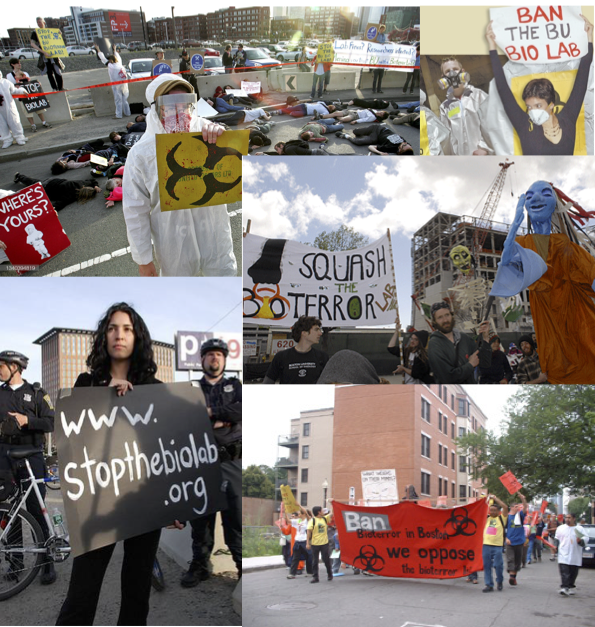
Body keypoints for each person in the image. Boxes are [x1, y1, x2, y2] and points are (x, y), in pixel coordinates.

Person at [55, 303, 182, 625]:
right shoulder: (86, 383)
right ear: (104, 336)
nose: (119, 335)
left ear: (137, 337)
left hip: (144, 498)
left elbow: (168, 449)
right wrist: (102, 399)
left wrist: (177, 503)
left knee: (137, 590)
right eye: (112, 328)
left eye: (126, 328)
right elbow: (69, 440)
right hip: (97, 500)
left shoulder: (155, 389)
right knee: (82, 592)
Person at [122, 73, 237, 277]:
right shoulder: (141, 154)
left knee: (224, 291)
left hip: (215, 236)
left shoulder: (208, 134)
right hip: (173, 243)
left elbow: (233, 171)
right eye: (171, 105)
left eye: (185, 104)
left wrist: (223, 137)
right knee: (181, 299)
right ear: (157, 108)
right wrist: (143, 260)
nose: (180, 111)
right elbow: (135, 210)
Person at [491, 181, 595, 383]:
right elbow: (506, 261)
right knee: (558, 367)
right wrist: (514, 225)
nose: (536, 199)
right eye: (529, 197)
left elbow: (591, 273)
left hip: (574, 313)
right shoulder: (522, 243)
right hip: (546, 318)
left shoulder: (565, 243)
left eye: (545, 193)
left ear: (555, 203)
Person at [486, 16, 593, 156]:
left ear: (551, 105)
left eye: (538, 106)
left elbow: (582, 78)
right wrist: (492, 47)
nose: (533, 112)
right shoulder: (524, 126)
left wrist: (589, 38)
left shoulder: (568, 118)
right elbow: (502, 88)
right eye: (529, 107)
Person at [181, 339, 242, 586]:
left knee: (234, 520)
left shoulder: (235, 385)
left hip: (232, 460)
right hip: (201, 462)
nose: (214, 358)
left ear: (225, 359)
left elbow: (241, 411)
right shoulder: (190, 391)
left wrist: (209, 413)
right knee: (201, 519)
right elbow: (185, 420)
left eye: (219, 354)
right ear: (202, 360)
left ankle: (241, 567)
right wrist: (223, 417)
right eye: (209, 355)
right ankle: (200, 566)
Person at [0, 350, 56, 585]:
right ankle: (15, 563)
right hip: (4, 455)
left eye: (3, 364)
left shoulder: (36, 393)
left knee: (35, 506)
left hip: (31, 455)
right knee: (7, 510)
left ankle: (47, 562)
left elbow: (51, 422)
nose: (0, 368)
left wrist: (27, 421)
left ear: (16, 367)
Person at [438, 56, 492, 156]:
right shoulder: (445, 107)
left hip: (482, 156)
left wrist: (485, 148)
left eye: (455, 69)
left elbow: (494, 124)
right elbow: (446, 139)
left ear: (462, 71)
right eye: (447, 71)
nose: (452, 74)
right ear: (443, 77)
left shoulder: (479, 96)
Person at [426, 301, 492, 383]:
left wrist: (485, 338)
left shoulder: (464, 338)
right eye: (440, 317)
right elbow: (447, 378)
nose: (445, 320)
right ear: (434, 321)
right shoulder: (434, 344)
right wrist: (470, 365)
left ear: (451, 315)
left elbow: (485, 363)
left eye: (447, 315)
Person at [264, 316, 329, 384]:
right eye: (316, 330)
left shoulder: (322, 357)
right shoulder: (281, 357)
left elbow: (330, 383)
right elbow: (267, 384)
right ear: (304, 333)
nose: (320, 333)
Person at [13, 172, 100, 212]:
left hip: (53, 181)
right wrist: (52, 210)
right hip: (47, 188)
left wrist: (96, 185)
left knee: (33, 181)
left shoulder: (82, 183)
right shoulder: (71, 196)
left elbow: (92, 180)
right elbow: (60, 203)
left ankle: (19, 176)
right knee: (31, 188)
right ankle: (18, 181)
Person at [6, 59, 52, 132]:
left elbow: (29, 83)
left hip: (30, 94)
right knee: (27, 111)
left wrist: (37, 84)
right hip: (21, 95)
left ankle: (44, 122)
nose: (19, 64)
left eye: (20, 63)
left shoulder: (25, 73)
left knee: (38, 107)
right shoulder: (9, 75)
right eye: (17, 63)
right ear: (12, 64)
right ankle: (33, 125)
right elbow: (11, 86)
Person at [481, 495, 509, 592]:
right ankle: (489, 585)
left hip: (497, 546)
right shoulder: (487, 518)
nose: (492, 512)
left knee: (498, 565)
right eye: (491, 510)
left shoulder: (502, 518)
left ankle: (499, 581)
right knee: (487, 565)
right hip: (486, 545)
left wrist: (495, 498)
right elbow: (481, 508)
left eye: (494, 510)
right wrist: (487, 500)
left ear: (498, 511)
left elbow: (505, 507)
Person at [95, 44, 130, 120]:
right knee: (125, 100)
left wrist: (98, 49)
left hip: (116, 85)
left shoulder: (111, 66)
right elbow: (118, 56)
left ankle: (119, 115)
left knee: (118, 100)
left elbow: (103, 58)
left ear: (111, 60)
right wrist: (114, 50)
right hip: (124, 84)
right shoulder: (120, 63)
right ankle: (127, 113)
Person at [555, 513, 586, 595]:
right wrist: (555, 548)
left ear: (574, 519)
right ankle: (564, 587)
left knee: (573, 572)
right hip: (563, 553)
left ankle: (570, 587)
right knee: (564, 571)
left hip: (575, 554)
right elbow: (557, 539)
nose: (567, 519)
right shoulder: (561, 528)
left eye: (569, 518)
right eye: (566, 517)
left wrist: (580, 541)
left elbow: (585, 539)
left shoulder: (579, 529)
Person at [30, 17, 63, 92]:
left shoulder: (50, 31)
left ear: (44, 22)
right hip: (45, 54)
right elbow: (32, 43)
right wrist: (42, 51)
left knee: (57, 70)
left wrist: (59, 34)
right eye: (37, 22)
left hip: (53, 54)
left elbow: (57, 39)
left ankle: (60, 87)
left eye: (40, 22)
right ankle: (54, 88)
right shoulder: (35, 32)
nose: (39, 23)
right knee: (49, 72)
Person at [335, 124, 414, 155]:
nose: (405, 143)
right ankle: (365, 132)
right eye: (407, 144)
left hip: (376, 137)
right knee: (355, 131)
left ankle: (345, 136)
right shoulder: (405, 143)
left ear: (400, 150)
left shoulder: (391, 148)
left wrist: (380, 153)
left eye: (404, 145)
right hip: (378, 128)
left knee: (358, 141)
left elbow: (370, 147)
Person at [0, 71, 29, 148]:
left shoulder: (6, 82)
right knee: (1, 125)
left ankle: (19, 137)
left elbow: (14, 91)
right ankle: (7, 140)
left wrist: (22, 90)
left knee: (14, 121)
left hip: (9, 106)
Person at [505, 494, 528, 587]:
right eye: (515, 507)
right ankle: (511, 577)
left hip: (519, 541)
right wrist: (506, 538)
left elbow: (525, 507)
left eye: (518, 507)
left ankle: (513, 577)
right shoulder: (507, 517)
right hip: (510, 542)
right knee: (511, 559)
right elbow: (502, 529)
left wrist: (523, 499)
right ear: (511, 507)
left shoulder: (520, 516)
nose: (517, 508)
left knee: (518, 560)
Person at [307, 506, 334, 583]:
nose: (323, 511)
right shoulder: (312, 521)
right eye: (322, 510)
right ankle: (315, 577)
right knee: (315, 561)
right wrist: (308, 543)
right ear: (319, 512)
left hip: (324, 543)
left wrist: (332, 503)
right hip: (315, 543)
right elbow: (309, 532)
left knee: (326, 560)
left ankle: (329, 574)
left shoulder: (325, 519)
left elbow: (332, 513)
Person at [285, 505, 312, 579]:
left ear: (303, 514)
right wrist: (285, 513)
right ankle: (292, 573)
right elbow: (289, 521)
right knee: (295, 557)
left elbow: (306, 513)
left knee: (309, 557)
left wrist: (299, 505)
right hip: (298, 541)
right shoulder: (298, 520)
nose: (299, 515)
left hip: (305, 541)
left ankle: (310, 571)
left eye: (300, 513)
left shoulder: (307, 520)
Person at [319, 108, 390, 124]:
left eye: (381, 114)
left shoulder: (373, 117)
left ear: (381, 117)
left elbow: (364, 120)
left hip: (356, 116)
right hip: (353, 111)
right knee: (336, 113)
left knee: (343, 119)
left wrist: (356, 121)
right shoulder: (374, 110)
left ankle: (337, 118)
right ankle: (322, 116)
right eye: (381, 112)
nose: (380, 113)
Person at [372, 24, 388, 93]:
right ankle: (374, 90)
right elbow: (375, 41)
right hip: (377, 60)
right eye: (381, 29)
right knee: (375, 78)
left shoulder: (383, 35)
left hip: (382, 63)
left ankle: (379, 89)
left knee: (380, 78)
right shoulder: (377, 34)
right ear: (379, 29)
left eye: (383, 29)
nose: (382, 30)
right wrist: (379, 43)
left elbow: (383, 42)